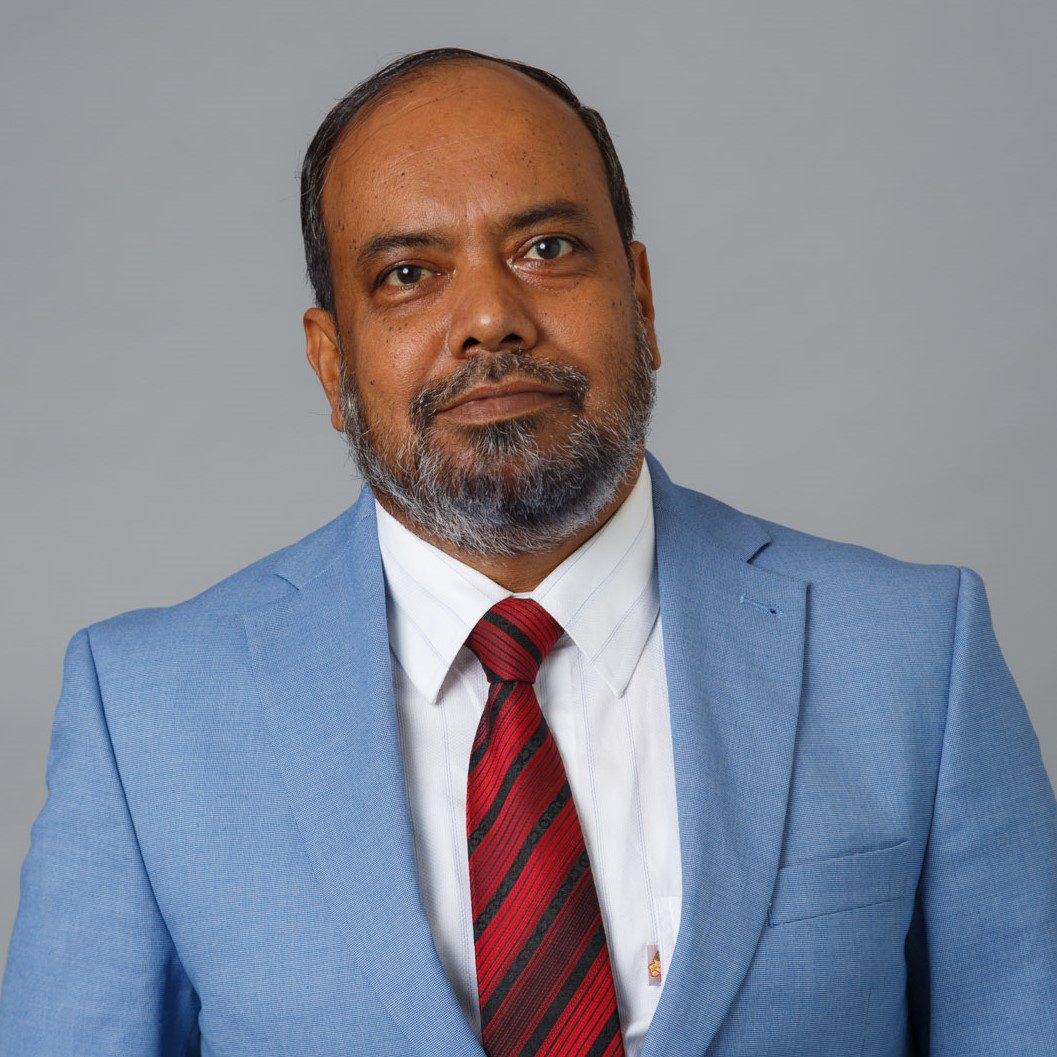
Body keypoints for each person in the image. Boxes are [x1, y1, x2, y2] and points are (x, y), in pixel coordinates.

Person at [1, 45, 1054, 1057]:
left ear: (641, 300)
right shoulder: (145, 716)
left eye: (546, 249)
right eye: (408, 273)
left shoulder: (915, 654)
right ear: (331, 364)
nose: (490, 319)